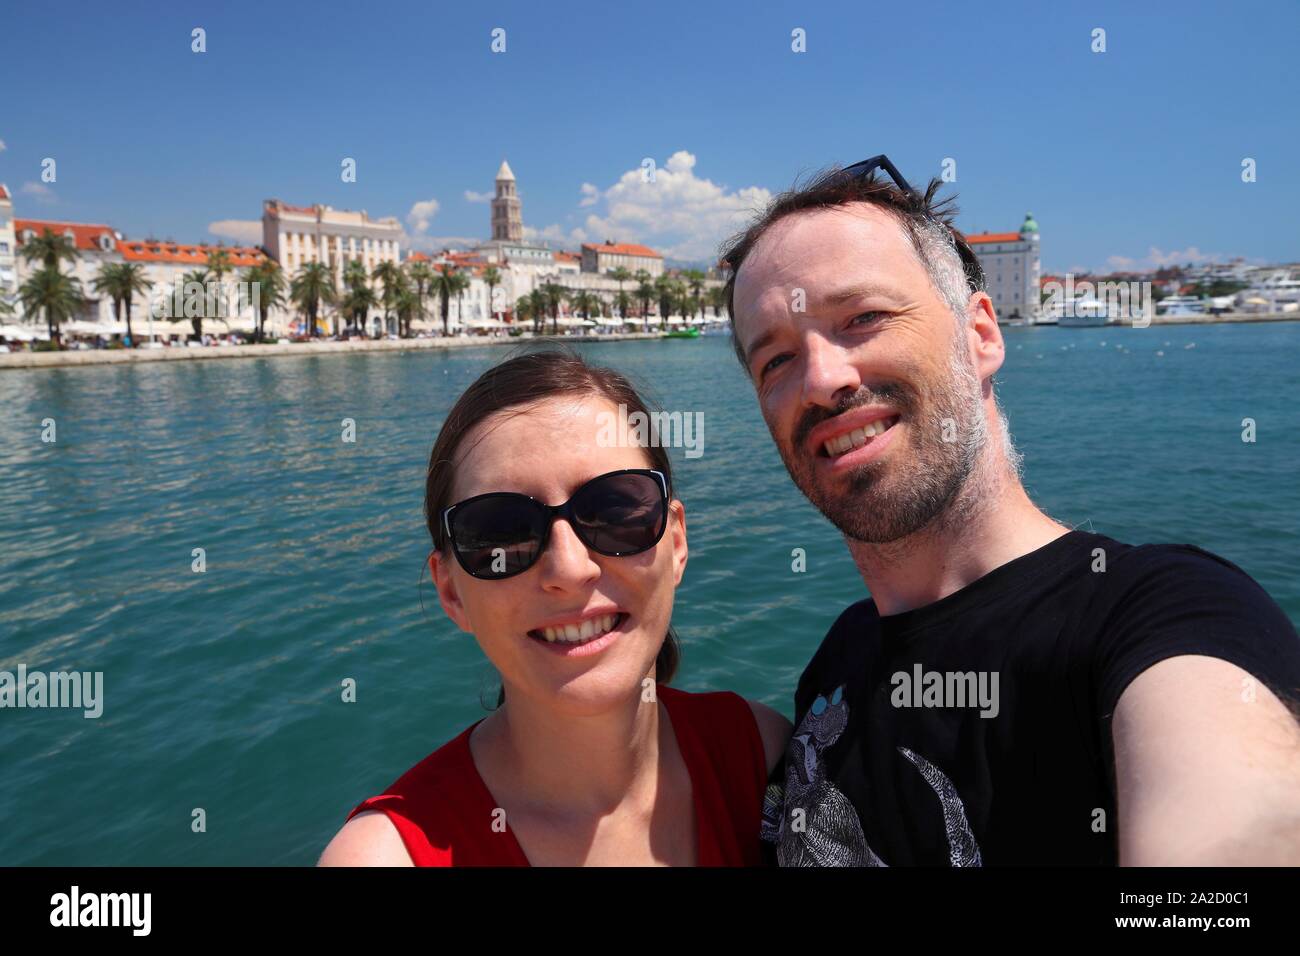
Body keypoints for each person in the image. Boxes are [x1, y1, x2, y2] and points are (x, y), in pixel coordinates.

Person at [721, 155, 1300, 866]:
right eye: (774, 361)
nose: (820, 379)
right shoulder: (838, 661)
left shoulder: (1162, 616)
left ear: (982, 337)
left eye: (863, 317)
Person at [319, 348, 791, 866]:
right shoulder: (386, 858)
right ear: (452, 592)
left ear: (676, 542)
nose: (569, 568)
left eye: (614, 511)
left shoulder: (760, 755)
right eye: (502, 532)